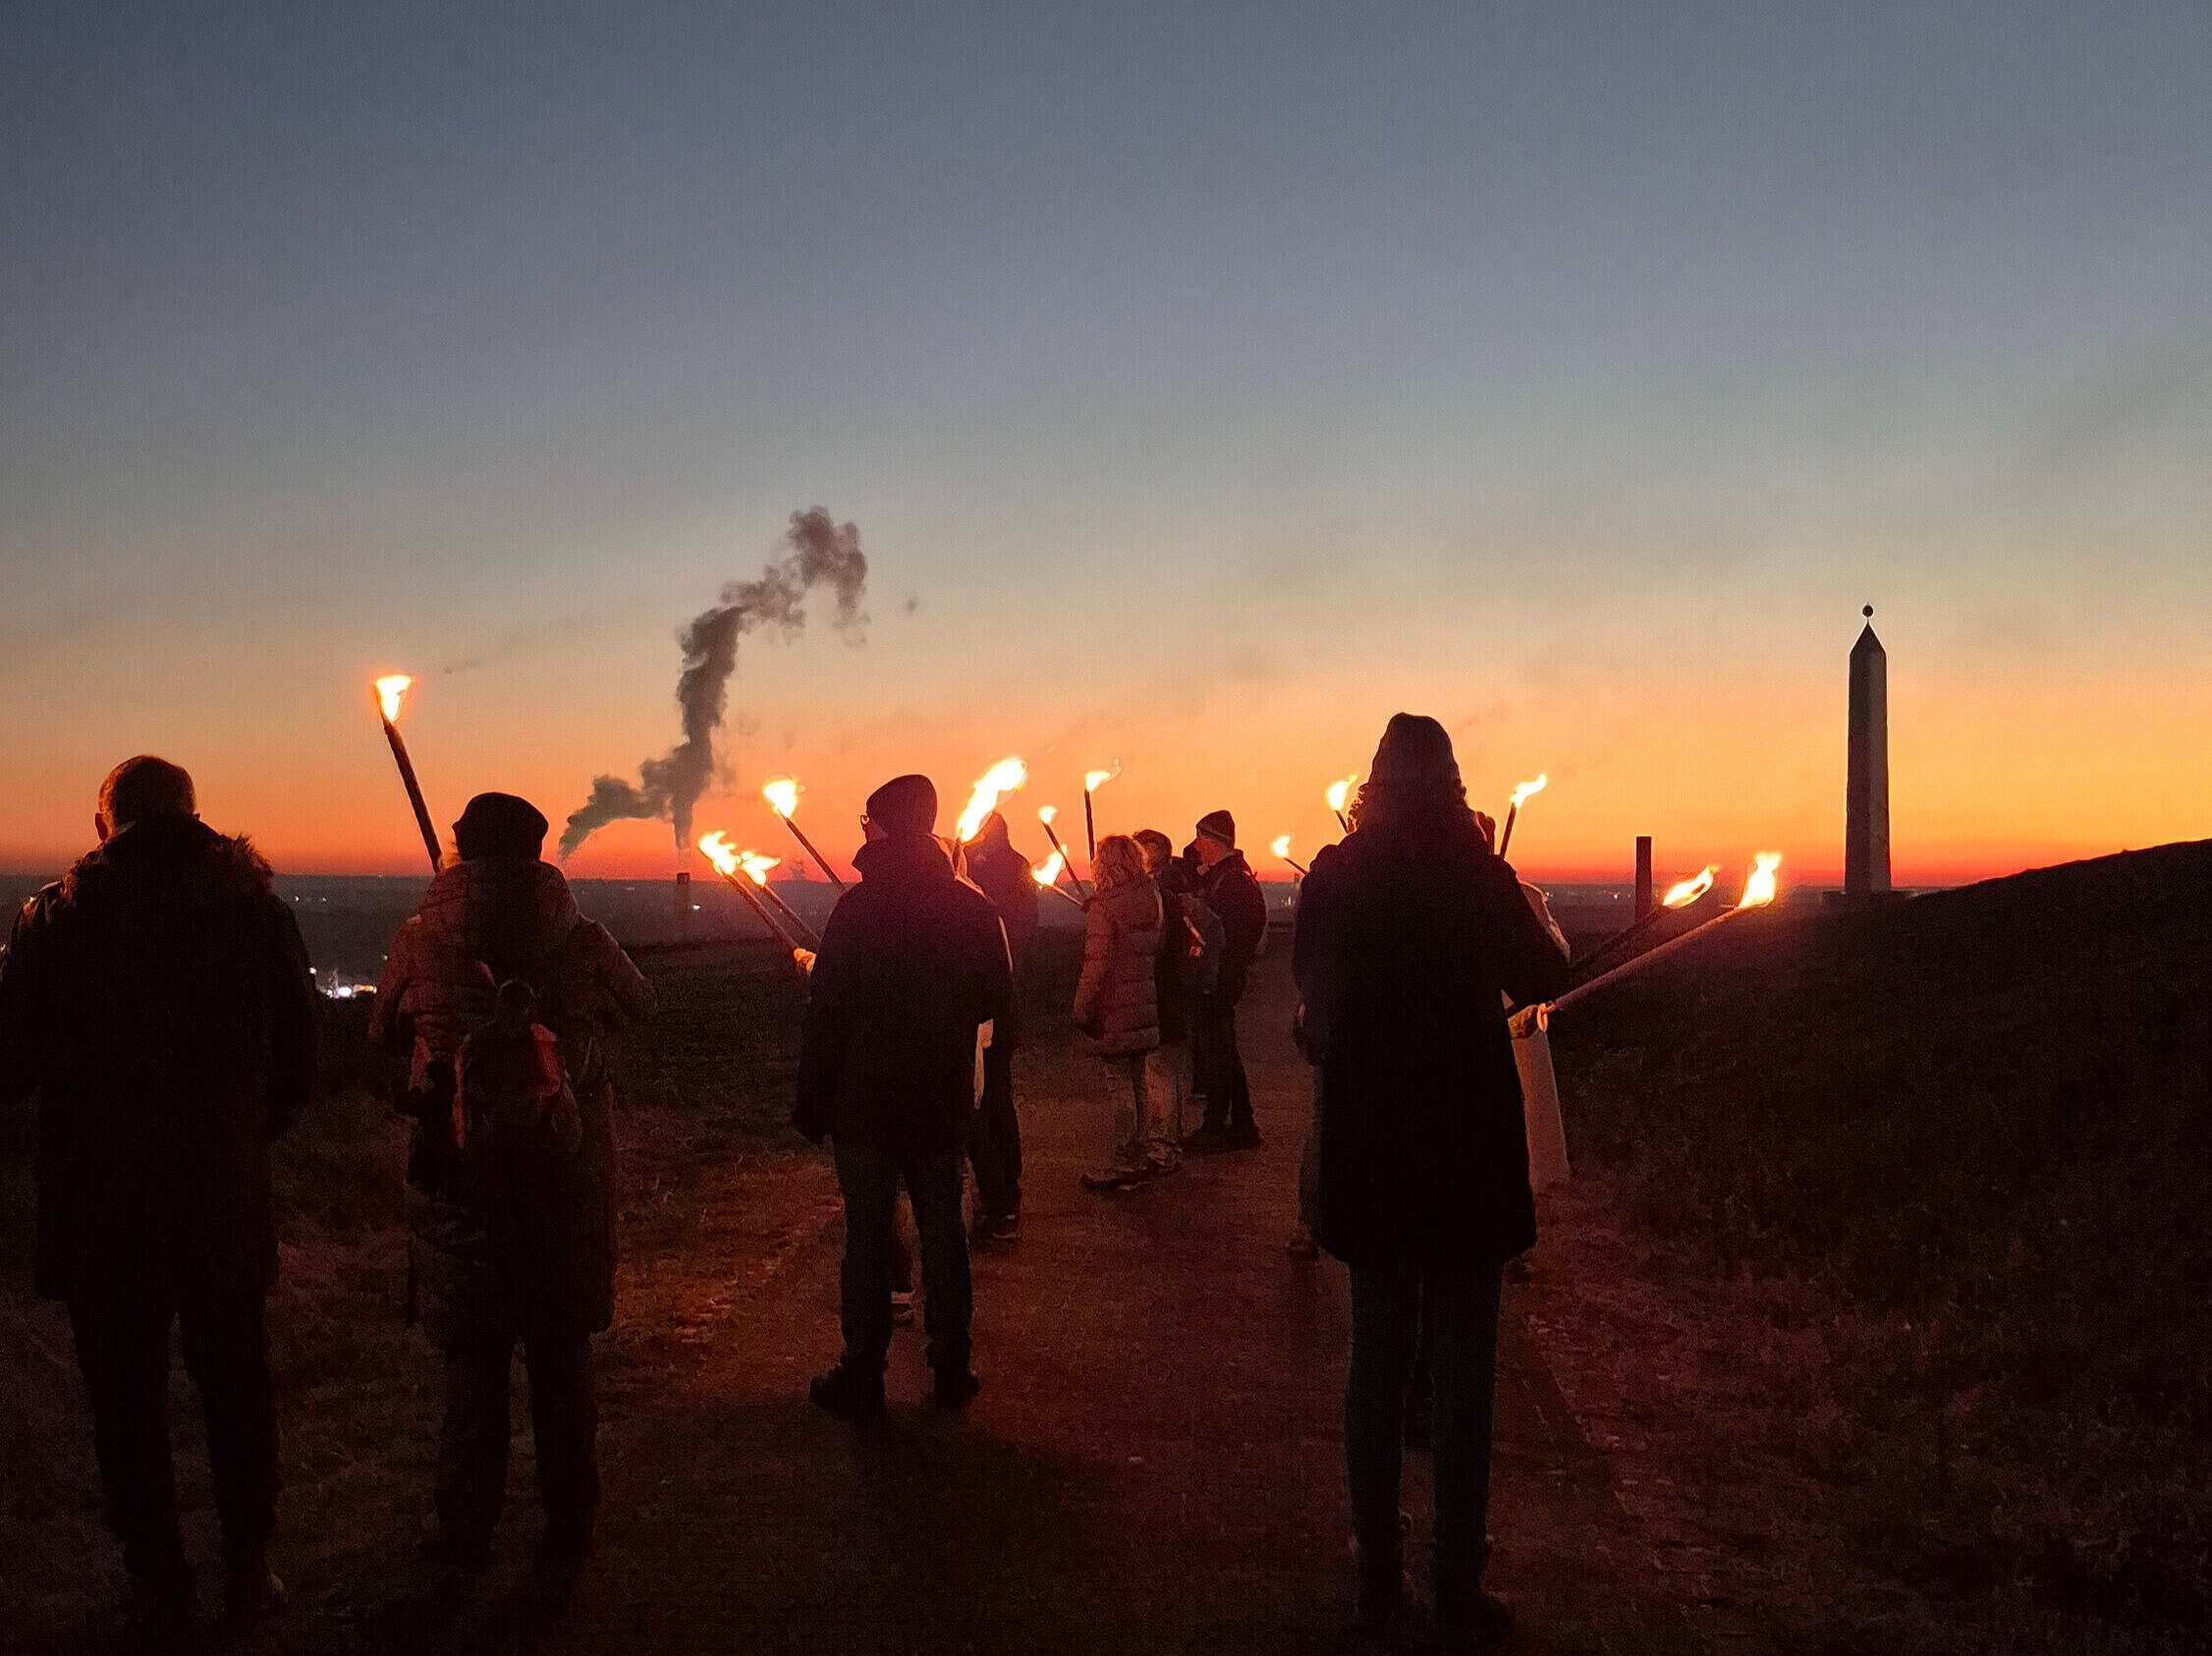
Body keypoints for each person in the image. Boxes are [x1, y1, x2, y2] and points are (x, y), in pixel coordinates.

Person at [0, 756, 318, 1630]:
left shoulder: (58, 916)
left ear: (107, 823)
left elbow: (10, 1060)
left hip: (100, 1207)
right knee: (235, 1387)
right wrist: (249, 1137)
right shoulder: (252, 906)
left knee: (126, 1401)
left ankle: (159, 1576)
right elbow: (301, 1056)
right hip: (217, 1194)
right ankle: (249, 1565)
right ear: (191, 813)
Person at [1292, 714, 1571, 1646]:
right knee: (1464, 1373)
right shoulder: (1476, 871)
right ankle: (1456, 1575)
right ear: (1452, 783)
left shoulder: (1336, 875)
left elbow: (1314, 1008)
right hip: (1465, 1144)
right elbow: (1542, 974)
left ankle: (1376, 1568)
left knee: (1376, 1360)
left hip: (1375, 1141)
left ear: (1373, 782)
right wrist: (1528, 912)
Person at [371, 793, 652, 1583]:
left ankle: (464, 1531)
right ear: (540, 853)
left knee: (473, 1367)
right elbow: (642, 1006)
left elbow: (382, 1032)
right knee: (561, 1361)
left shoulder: (419, 941)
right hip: (563, 1178)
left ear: (458, 850)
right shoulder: (584, 939)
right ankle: (569, 1524)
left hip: (459, 1184)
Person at [797, 775, 1012, 1418]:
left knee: (866, 1237)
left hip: (865, 1103)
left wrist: (813, 1099)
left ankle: (862, 1372)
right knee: (942, 1231)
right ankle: (951, 1367)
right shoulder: (972, 908)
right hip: (939, 1096)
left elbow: (827, 1011)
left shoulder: (857, 911)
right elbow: (996, 1002)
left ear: (885, 827)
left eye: (868, 821)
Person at [960, 810, 1039, 1242]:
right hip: (1001, 1003)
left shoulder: (986, 877)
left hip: (985, 1010)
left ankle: (999, 1200)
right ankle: (1004, 1194)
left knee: (984, 1106)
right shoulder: (1015, 868)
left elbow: (1002, 935)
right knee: (997, 1102)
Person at [1075, 834, 1170, 1188]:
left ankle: (1123, 1161)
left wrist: (1082, 1009)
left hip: (1114, 1008)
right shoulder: (1152, 898)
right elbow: (1155, 949)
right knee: (1138, 1084)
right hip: (1144, 1004)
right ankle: (1141, 1153)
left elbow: (1095, 965)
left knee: (1120, 1087)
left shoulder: (1105, 907)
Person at [1185, 809, 1269, 1151]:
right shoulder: (1229, 876)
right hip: (1220, 976)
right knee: (1225, 1051)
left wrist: (1215, 975)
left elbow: (1228, 936)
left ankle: (1216, 1126)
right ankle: (1243, 1124)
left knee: (1217, 1054)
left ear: (1211, 840)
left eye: (1199, 839)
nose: (1195, 847)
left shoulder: (1232, 882)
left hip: (1218, 978)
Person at [1134, 828, 1208, 1150]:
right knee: (1172, 1069)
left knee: (1160, 1070)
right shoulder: (1176, 887)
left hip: (1165, 989)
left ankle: (1163, 1146)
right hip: (1176, 989)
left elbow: (1157, 946)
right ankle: (1170, 1141)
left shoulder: (1162, 894)